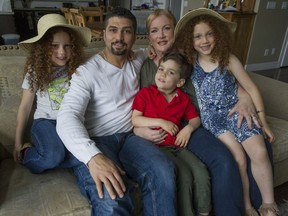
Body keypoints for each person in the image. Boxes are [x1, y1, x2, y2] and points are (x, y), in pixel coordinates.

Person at [134, 8, 274, 216]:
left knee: (260, 144)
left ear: (176, 32)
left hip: (198, 119)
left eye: (166, 29)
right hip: (180, 125)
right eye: (155, 31)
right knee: (226, 158)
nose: (161, 35)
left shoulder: (189, 56)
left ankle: (260, 205)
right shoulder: (145, 64)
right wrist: (139, 130)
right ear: (149, 36)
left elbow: (228, 78)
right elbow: (138, 110)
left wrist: (245, 99)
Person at [56, 7, 177, 216]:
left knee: (164, 171)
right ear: (103, 34)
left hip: (130, 138)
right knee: (113, 199)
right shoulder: (87, 72)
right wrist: (93, 157)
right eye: (113, 30)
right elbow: (67, 117)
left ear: (134, 36)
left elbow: (163, 51)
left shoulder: (139, 58)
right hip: (97, 140)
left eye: (126, 31)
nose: (119, 37)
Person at [174, 8, 279, 216]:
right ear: (190, 40)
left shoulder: (228, 59)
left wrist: (263, 120)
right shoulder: (190, 61)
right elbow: (168, 52)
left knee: (258, 150)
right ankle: (247, 205)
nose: (204, 40)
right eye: (197, 36)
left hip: (236, 111)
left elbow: (250, 88)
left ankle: (268, 204)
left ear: (218, 34)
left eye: (209, 34)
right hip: (214, 120)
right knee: (238, 157)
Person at [132, 52, 211, 216]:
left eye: (171, 72)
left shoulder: (182, 99)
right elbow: (136, 120)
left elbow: (195, 119)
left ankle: (204, 211)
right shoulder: (145, 94)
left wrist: (188, 129)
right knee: (184, 175)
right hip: (156, 148)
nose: (163, 74)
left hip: (177, 146)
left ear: (180, 82)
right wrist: (160, 122)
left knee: (201, 170)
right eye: (161, 69)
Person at [13, 14, 91, 173]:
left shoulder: (79, 68)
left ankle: (65, 159)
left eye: (67, 46)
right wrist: (17, 142)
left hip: (72, 121)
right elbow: (25, 107)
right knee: (53, 156)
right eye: (54, 45)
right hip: (45, 122)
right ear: (43, 48)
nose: (62, 51)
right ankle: (28, 154)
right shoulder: (34, 71)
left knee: (88, 155)